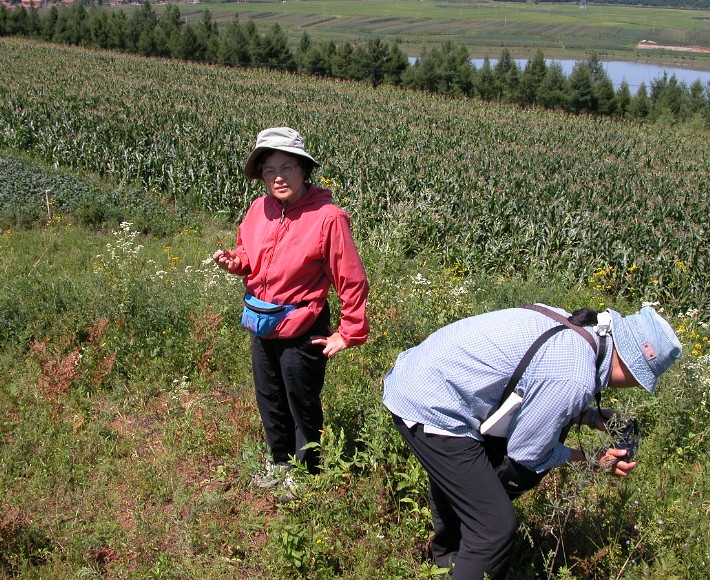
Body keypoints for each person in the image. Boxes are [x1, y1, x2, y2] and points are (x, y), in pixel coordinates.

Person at [382, 303, 682, 580]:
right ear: (630, 367)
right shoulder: (574, 376)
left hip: (419, 376)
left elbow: (533, 387)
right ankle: (460, 560)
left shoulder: (573, 329)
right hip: (430, 406)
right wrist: (592, 460)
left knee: (472, 483)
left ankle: (449, 561)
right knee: (493, 527)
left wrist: (589, 417)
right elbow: (527, 452)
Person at [213, 126, 369, 488]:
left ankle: (305, 471)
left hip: (304, 324)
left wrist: (350, 332)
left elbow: (351, 278)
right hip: (262, 321)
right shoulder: (259, 209)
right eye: (269, 169)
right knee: (269, 396)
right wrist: (235, 261)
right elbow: (250, 254)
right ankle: (278, 462)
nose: (278, 177)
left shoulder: (328, 217)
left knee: (301, 400)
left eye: (287, 167)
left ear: (304, 170)